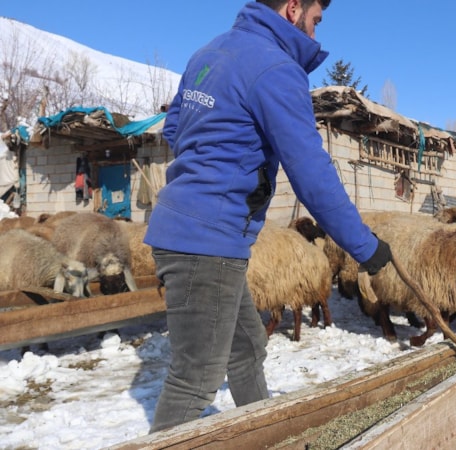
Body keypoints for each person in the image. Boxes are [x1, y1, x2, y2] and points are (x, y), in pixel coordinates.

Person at [143, 0, 392, 432]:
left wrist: (217, 161)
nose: (316, 33)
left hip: (194, 230)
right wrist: (365, 247)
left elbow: (174, 128)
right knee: (196, 380)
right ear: (294, 9)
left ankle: (262, 435)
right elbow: (311, 174)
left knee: (245, 349)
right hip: (207, 239)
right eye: (316, 20)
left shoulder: (209, 54)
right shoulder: (275, 69)